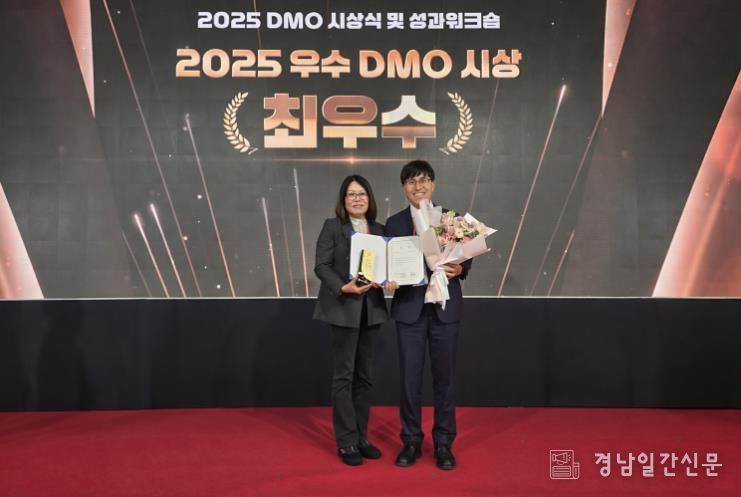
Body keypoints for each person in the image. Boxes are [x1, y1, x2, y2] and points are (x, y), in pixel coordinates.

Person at [384, 160, 472, 470]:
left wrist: (460, 268)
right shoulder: (393, 223)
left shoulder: (450, 218)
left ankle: (444, 442)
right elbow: (387, 263)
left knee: (445, 379)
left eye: (423, 180)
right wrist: (387, 278)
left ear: (433, 184)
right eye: (411, 182)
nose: (417, 186)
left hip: (444, 308)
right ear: (403, 188)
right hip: (409, 310)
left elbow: (467, 258)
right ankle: (410, 440)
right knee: (409, 380)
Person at [313, 175, 391, 466]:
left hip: (372, 310)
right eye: (351, 194)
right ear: (343, 200)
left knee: (365, 377)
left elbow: (386, 267)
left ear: (369, 199)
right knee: (344, 377)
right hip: (343, 308)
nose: (357, 199)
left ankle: (362, 437)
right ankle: (346, 442)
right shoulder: (332, 227)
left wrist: (390, 279)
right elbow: (321, 266)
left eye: (362, 194)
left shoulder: (380, 230)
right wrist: (342, 287)